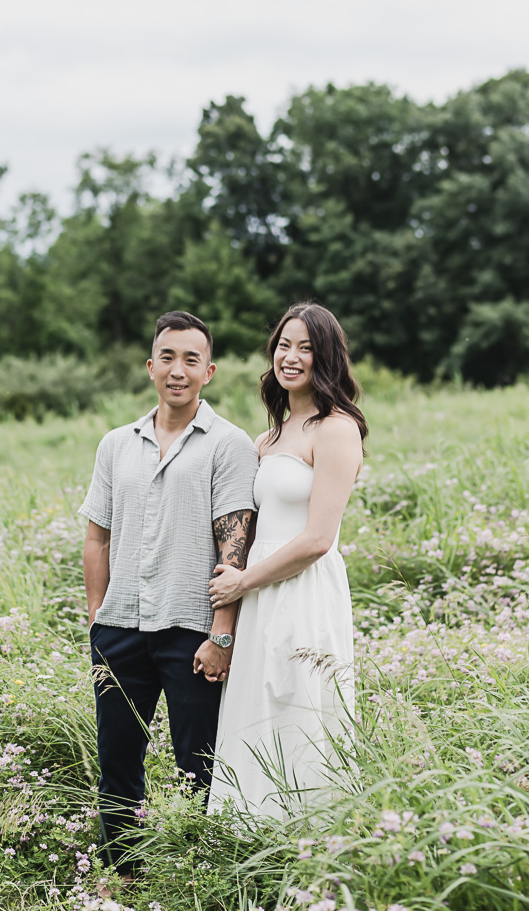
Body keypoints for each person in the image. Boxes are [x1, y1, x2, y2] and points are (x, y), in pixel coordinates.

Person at [79, 310, 258, 881]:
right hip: (121, 628)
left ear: (210, 370)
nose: (176, 370)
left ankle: (194, 874)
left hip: (192, 633)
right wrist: (97, 622)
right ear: (149, 365)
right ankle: (125, 877)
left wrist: (221, 633)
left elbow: (236, 549)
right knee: (118, 763)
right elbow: (97, 535)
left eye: (190, 360)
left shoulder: (228, 445)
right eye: (167, 357)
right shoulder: (115, 445)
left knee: (196, 766)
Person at [206, 301, 366, 816]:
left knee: (299, 707)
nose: (291, 357)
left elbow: (319, 538)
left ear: (327, 358)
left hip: (303, 589)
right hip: (258, 593)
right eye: (283, 345)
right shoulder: (267, 438)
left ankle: (313, 838)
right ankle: (248, 835)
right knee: (257, 707)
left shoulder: (335, 428)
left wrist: (242, 581)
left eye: (306, 347)